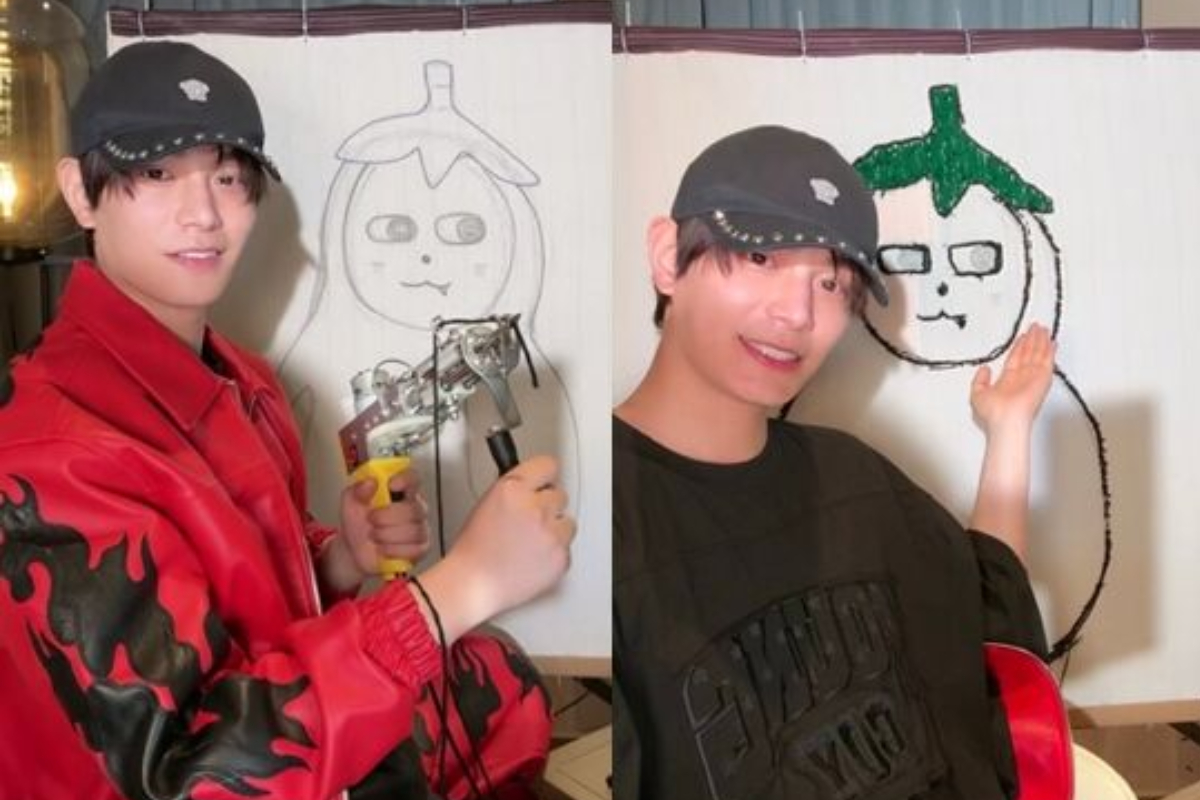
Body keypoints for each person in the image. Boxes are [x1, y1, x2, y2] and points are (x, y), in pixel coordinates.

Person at [0, 41, 575, 800]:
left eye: (228, 178)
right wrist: (460, 587)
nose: (204, 214)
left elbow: (247, 589)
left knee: (504, 687)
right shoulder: (48, 453)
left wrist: (341, 560)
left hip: (293, 732)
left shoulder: (243, 378)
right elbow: (192, 777)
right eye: (157, 173)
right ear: (81, 192)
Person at [613, 125, 1054, 800]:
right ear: (668, 256)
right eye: (760, 256)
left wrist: (1010, 432)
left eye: (831, 282)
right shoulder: (602, 516)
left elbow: (984, 606)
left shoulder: (854, 479)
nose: (797, 312)